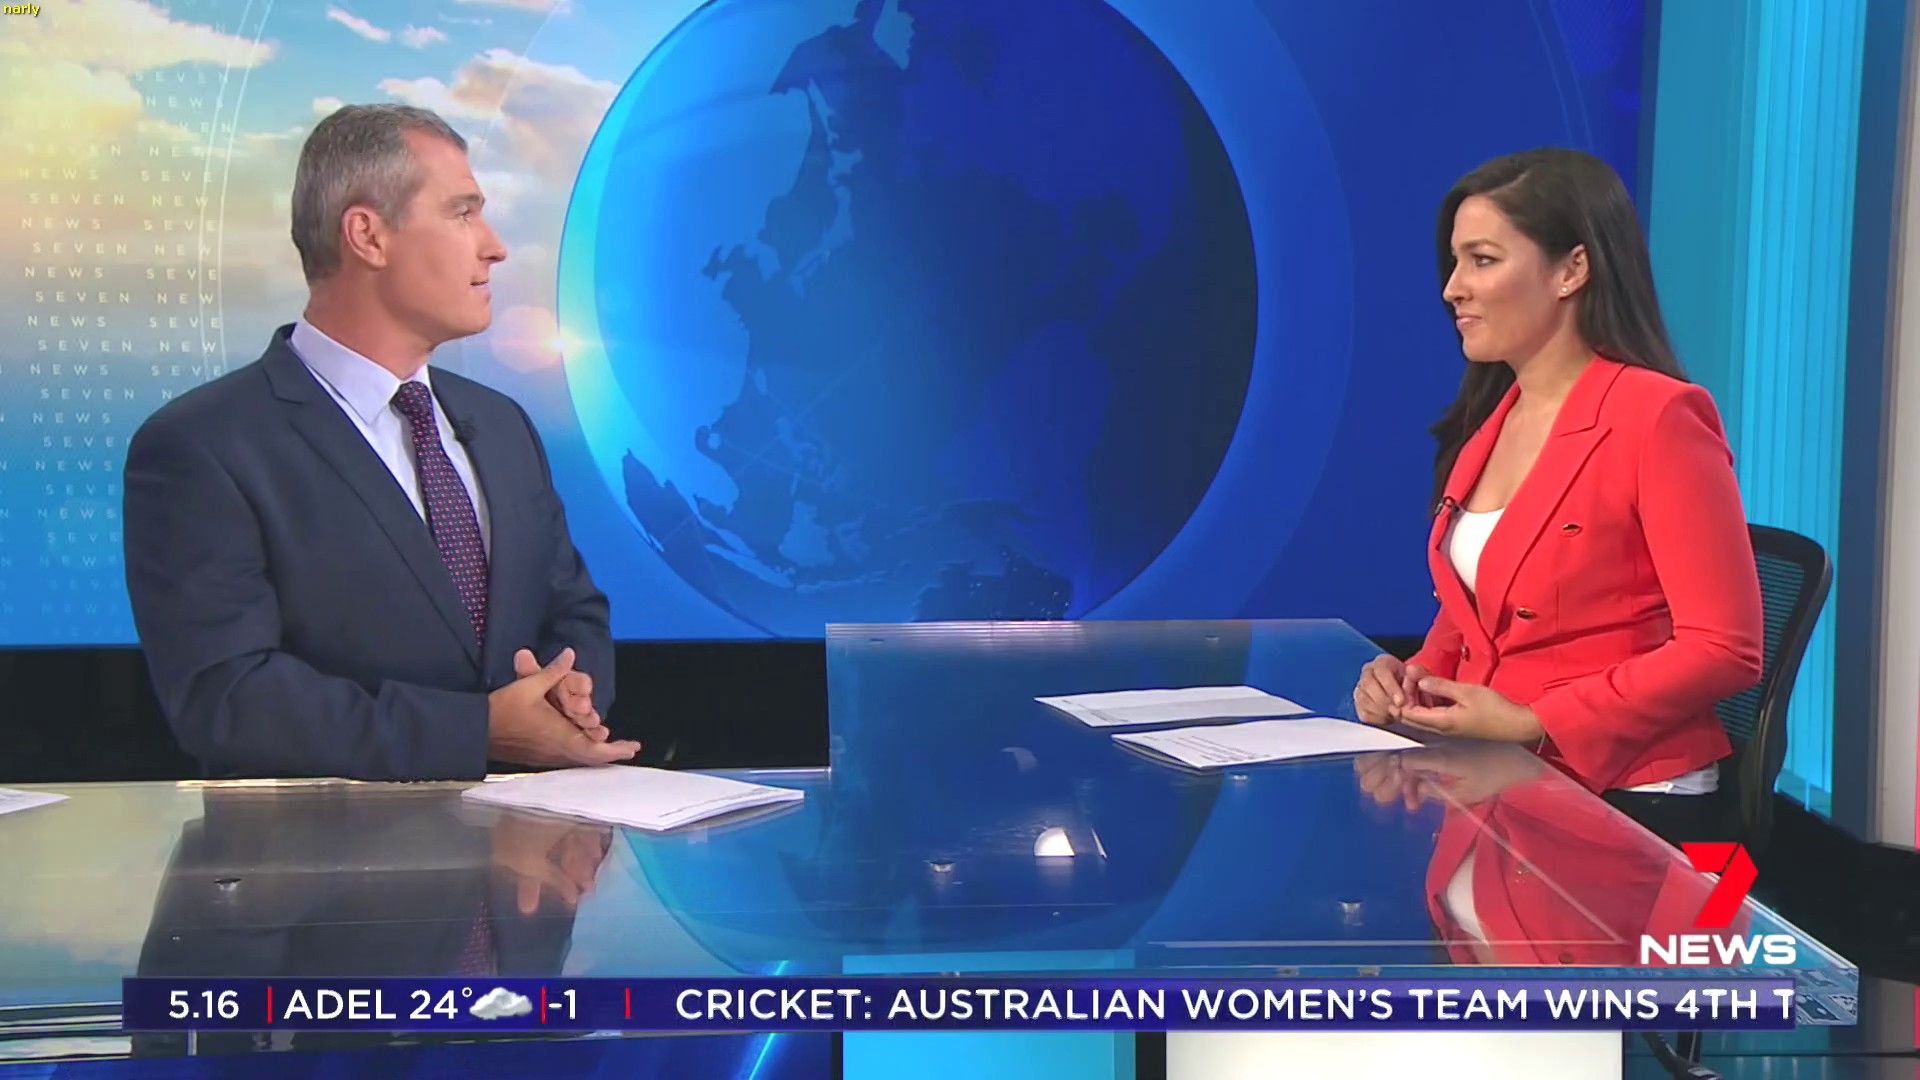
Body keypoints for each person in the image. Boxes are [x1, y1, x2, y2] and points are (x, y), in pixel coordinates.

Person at [123, 104, 640, 781]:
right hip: (323, 848)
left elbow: (572, 612)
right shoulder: (203, 447)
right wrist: (479, 730)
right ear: (367, 236)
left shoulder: (502, 425)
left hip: (526, 842)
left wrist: (568, 696)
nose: (494, 247)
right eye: (462, 213)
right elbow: (229, 700)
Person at [1350, 148, 1764, 845]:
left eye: (1482, 260)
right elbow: (1475, 613)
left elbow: (1725, 648)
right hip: (1503, 771)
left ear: (1572, 270)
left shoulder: (1660, 416)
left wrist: (1536, 721)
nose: (1453, 289)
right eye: (1454, 263)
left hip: (1630, 797)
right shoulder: (1493, 420)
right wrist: (1413, 680)